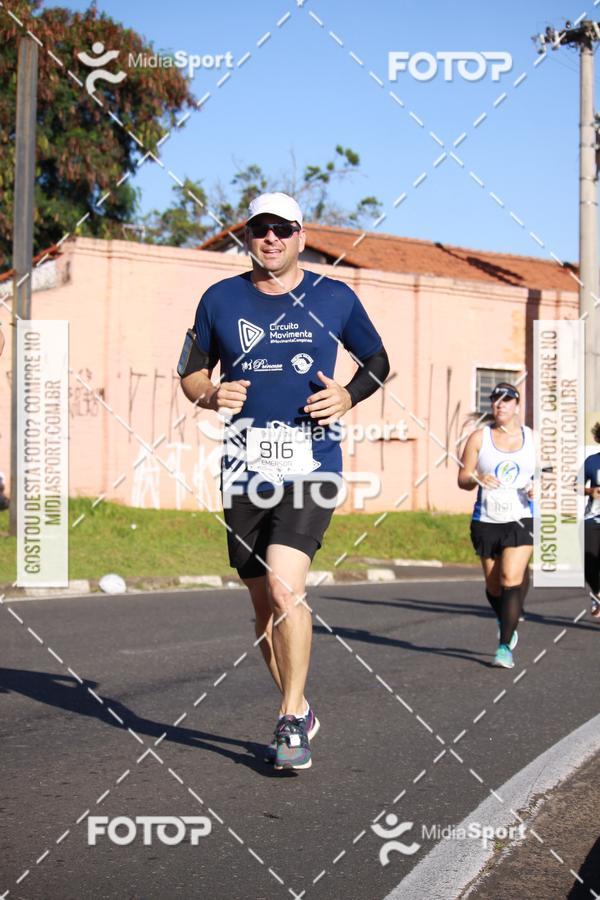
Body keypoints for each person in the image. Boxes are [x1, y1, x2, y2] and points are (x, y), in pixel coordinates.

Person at [179, 192, 389, 769]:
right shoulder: (219, 299)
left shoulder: (334, 296)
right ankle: (299, 702)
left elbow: (377, 361)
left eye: (283, 229)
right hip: (244, 463)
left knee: (284, 589)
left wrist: (349, 394)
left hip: (311, 463)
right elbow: (191, 373)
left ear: (300, 236)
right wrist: (209, 393)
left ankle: (290, 719)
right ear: (247, 236)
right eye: (259, 229)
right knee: (260, 606)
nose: (270, 238)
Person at [458, 383, 535, 668]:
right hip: (486, 520)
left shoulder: (533, 439)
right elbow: (462, 479)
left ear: (516, 405)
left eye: (506, 400)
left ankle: (504, 645)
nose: (500, 405)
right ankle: (508, 617)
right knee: (493, 586)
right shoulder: (480, 438)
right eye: (495, 400)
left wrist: (539, 487)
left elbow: (549, 474)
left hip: (521, 517)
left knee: (510, 578)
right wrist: (477, 477)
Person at [583, 422, 600, 618]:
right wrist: (590, 491)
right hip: (591, 519)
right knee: (589, 565)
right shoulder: (591, 462)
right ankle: (597, 594)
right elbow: (575, 486)